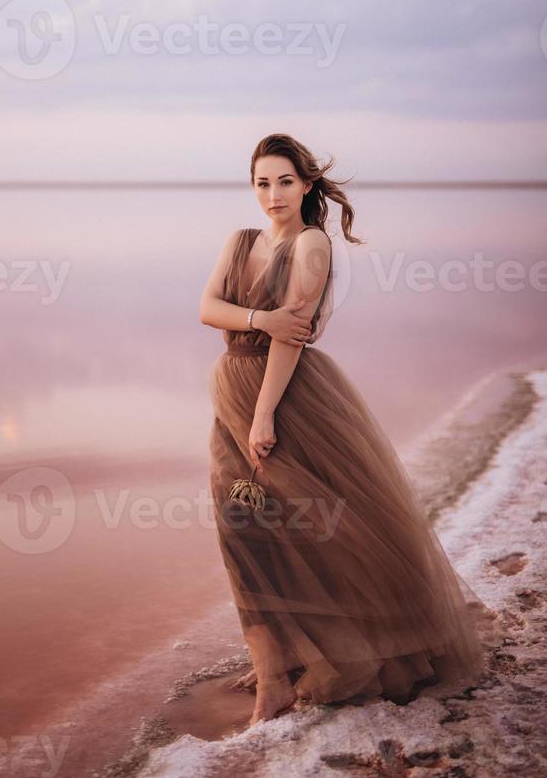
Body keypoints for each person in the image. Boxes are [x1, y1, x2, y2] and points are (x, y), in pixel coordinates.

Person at [199, 133, 487, 727]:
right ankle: (277, 661)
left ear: (306, 184)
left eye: (284, 181)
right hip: (232, 391)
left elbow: (291, 337)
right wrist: (259, 317)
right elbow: (207, 309)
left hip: (289, 401)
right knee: (244, 531)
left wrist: (264, 416)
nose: (272, 194)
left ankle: (286, 675)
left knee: (311, 531)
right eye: (261, 183)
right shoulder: (240, 241)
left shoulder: (311, 246)